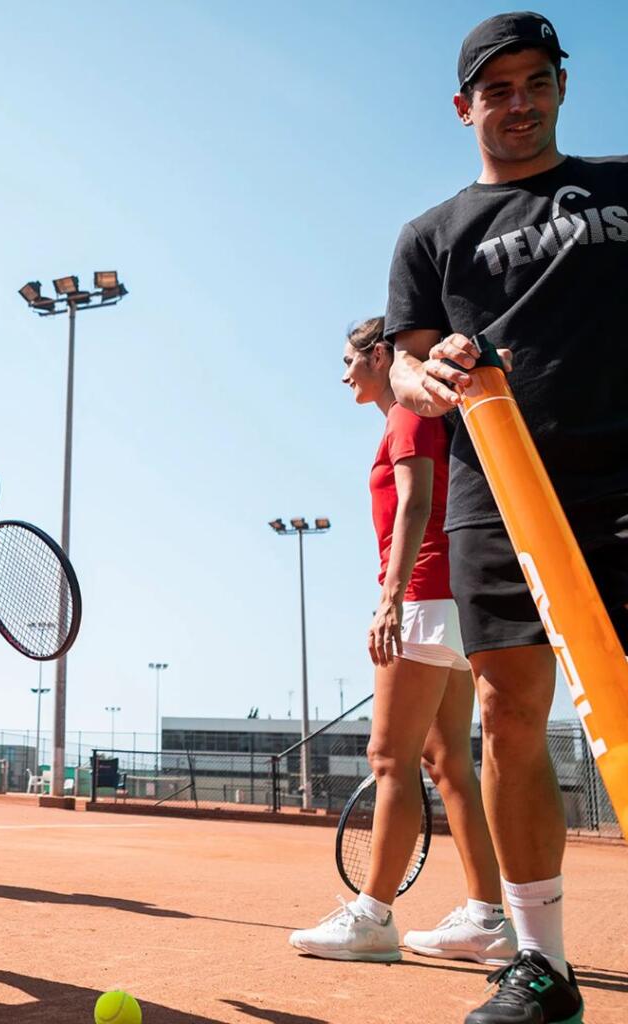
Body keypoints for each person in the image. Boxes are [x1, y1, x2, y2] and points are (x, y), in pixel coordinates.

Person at [386, 12, 627, 1023]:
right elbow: (403, 366)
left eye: (535, 82)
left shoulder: (620, 187)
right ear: (464, 106)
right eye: (496, 89)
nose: (517, 103)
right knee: (508, 713)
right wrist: (430, 372)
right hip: (501, 489)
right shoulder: (431, 234)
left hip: (622, 478)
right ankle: (541, 965)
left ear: (561, 87)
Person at [289, 318, 515, 966]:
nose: (344, 375)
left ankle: (372, 917)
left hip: (423, 595)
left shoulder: (410, 413)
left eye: (350, 361)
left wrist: (389, 600)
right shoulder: (418, 415)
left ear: (381, 355)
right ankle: (487, 918)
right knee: (447, 763)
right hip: (452, 599)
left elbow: (416, 504)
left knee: (389, 758)